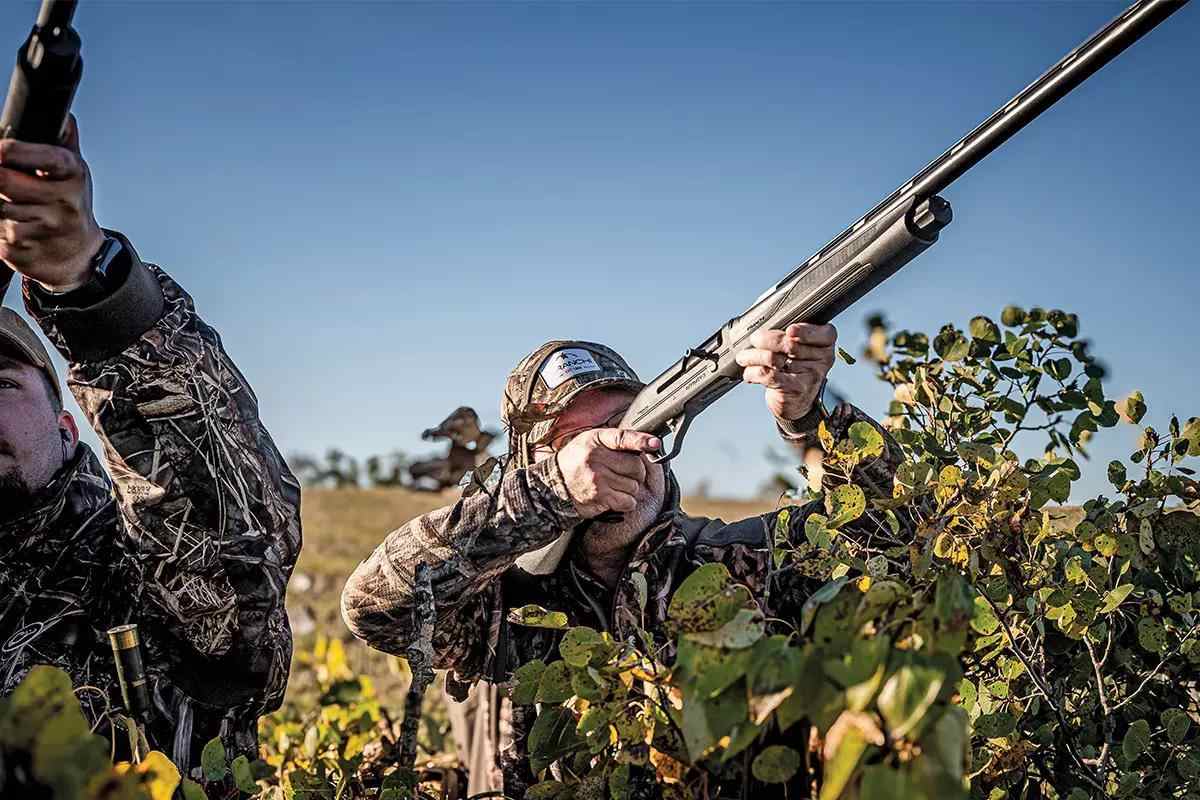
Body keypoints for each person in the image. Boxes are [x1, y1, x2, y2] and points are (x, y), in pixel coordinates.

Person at [342, 330, 900, 796]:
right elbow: (374, 607)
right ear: (535, 468)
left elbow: (900, 538)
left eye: (630, 423)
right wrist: (549, 495)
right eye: (576, 442)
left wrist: (811, 416)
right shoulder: (500, 602)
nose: (615, 450)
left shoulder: (745, 559)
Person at [0, 119, 301, 771]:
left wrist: (87, 284)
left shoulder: (124, 570)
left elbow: (227, 535)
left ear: (66, 427)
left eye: (1, 383)